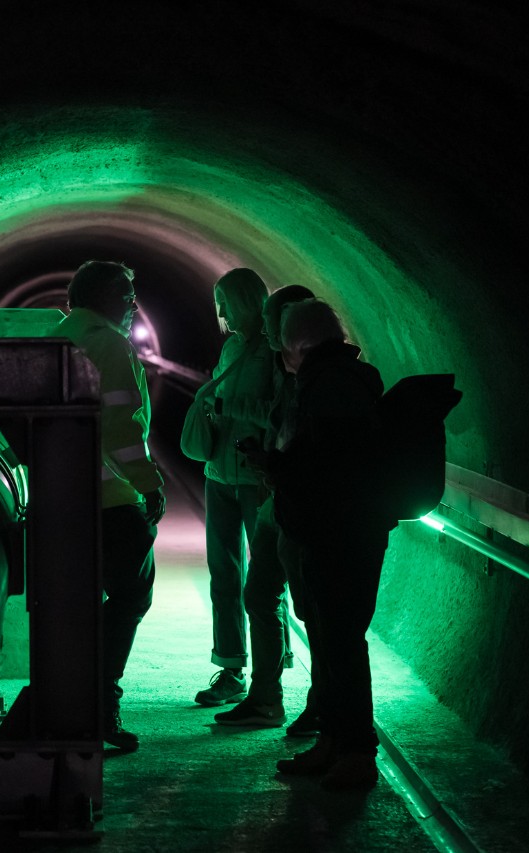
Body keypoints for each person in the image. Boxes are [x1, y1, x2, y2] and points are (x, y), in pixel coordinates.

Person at [247, 298, 393, 791]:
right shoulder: (339, 379)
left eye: (283, 342)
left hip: (339, 534)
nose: (279, 351)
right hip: (338, 531)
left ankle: (357, 753)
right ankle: (334, 742)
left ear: (300, 344)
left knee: (342, 644)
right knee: (332, 644)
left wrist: (271, 465)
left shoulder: (329, 386)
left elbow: (326, 468)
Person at [56, 260, 167, 752]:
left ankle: (67, 700)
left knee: (74, 604)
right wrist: (148, 483)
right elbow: (123, 428)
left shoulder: (57, 337)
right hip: (111, 499)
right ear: (99, 296)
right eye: (125, 293)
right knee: (129, 597)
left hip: (63, 497)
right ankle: (100, 704)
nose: (132, 304)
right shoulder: (108, 343)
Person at [214, 284, 319, 732]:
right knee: (259, 591)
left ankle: (325, 710)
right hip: (272, 494)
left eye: (278, 325)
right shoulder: (280, 366)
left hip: (292, 502)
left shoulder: (313, 378)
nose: (274, 336)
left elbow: (299, 434)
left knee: (311, 606)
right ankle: (265, 695)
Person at [192, 268, 278, 707]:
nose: (221, 312)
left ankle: (270, 671)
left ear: (248, 300)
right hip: (219, 477)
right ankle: (230, 667)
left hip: (255, 480)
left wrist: (228, 405)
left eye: (225, 302)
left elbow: (280, 414)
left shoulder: (276, 351)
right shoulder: (230, 348)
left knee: (265, 578)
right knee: (223, 574)